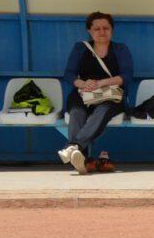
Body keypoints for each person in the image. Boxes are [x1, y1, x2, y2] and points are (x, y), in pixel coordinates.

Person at [56, 10, 132, 175]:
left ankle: (73, 148)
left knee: (102, 111)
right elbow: (68, 74)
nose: (102, 32)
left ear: (112, 30)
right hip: (84, 93)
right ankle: (78, 156)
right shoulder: (80, 48)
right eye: (96, 29)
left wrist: (100, 83)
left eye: (106, 28)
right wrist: (83, 84)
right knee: (76, 112)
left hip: (111, 95)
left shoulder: (120, 49)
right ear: (89, 31)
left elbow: (127, 76)